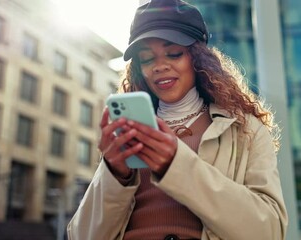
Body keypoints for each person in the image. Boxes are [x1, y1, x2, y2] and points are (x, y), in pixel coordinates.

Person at [67, 0, 288, 239]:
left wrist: (176, 164)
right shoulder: (131, 131)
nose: (160, 66)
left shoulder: (245, 129)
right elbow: (81, 235)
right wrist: (114, 173)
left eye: (173, 53)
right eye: (147, 59)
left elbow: (269, 231)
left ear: (198, 59)